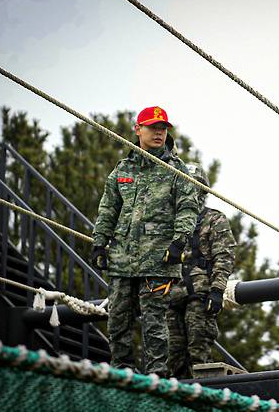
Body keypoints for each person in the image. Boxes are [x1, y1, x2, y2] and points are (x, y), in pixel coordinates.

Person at [91, 106, 198, 376]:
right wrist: (99, 243)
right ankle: (122, 374)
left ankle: (156, 377)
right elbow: (108, 209)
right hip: (122, 258)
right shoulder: (122, 169)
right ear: (138, 130)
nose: (159, 133)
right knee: (117, 320)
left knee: (154, 324)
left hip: (159, 259)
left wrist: (179, 242)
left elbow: (188, 208)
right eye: (153, 127)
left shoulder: (176, 169)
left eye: (163, 128)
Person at [167, 163, 237, 378]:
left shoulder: (214, 219)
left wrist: (217, 290)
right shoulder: (169, 223)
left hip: (200, 294)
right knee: (171, 357)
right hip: (170, 294)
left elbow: (224, 257)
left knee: (198, 352)